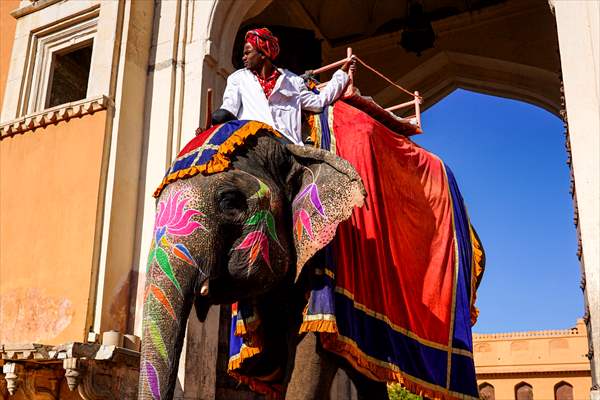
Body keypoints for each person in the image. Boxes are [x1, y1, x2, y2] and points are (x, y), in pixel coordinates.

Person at [214, 28, 355, 145]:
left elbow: (319, 102)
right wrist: (211, 127)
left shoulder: (293, 81)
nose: (243, 57)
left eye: (248, 53)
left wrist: (342, 73)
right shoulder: (238, 78)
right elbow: (228, 109)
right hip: (253, 143)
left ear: (263, 54)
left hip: (289, 146)